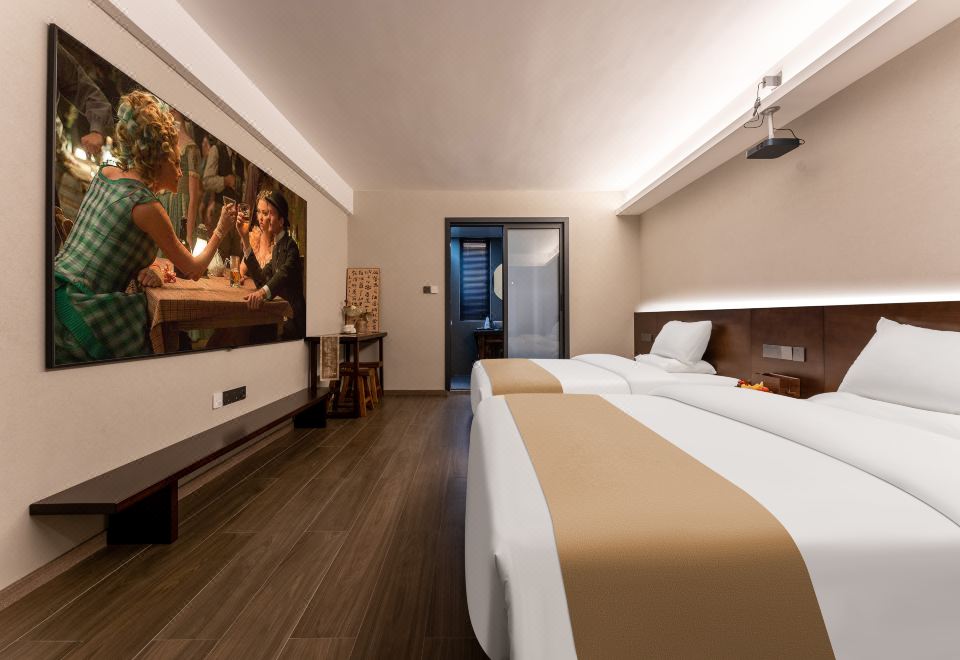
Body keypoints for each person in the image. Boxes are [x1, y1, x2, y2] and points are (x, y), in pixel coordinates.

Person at [53, 90, 235, 364]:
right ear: (158, 160)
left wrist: (155, 268)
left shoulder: (106, 172)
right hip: (80, 316)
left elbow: (115, 243)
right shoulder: (148, 207)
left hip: (53, 288)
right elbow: (194, 270)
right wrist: (220, 230)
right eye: (175, 163)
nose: (180, 172)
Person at [237, 190, 305, 340]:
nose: (266, 218)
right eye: (262, 213)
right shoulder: (277, 249)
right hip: (278, 315)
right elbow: (261, 279)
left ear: (281, 221)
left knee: (254, 333)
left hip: (292, 321)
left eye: (270, 213)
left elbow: (282, 275)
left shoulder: (290, 246)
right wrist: (245, 238)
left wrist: (261, 293)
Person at [157, 109, 201, 245]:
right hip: (163, 204)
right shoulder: (165, 143)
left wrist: (188, 235)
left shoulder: (191, 148)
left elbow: (194, 195)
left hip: (180, 207)